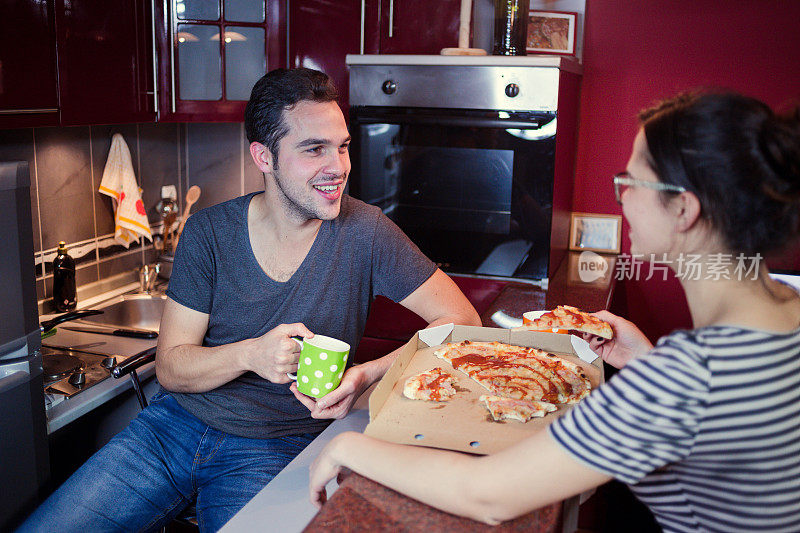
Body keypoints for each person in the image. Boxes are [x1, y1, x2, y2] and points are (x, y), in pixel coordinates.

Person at [308, 92, 800, 533]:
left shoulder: (691, 373)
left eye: (631, 180)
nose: (622, 196)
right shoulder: (784, 313)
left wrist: (347, 447)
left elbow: (487, 494)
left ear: (683, 209)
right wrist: (645, 360)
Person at [20, 68, 480, 532]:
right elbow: (172, 369)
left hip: (275, 446)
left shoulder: (366, 231)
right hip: (171, 431)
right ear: (264, 156)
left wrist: (366, 375)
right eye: (314, 149)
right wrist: (252, 354)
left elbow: (462, 320)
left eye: (342, 146)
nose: (338, 166)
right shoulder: (209, 233)